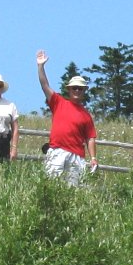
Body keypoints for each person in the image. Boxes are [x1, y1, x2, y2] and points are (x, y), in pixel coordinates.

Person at [36, 50, 98, 186]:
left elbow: (90, 138)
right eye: (74, 88)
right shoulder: (58, 102)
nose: (77, 91)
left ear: (84, 91)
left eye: (80, 89)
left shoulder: (86, 115)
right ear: (69, 89)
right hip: (57, 151)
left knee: (74, 189)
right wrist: (40, 67)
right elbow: (44, 85)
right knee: (51, 185)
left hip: (77, 156)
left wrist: (93, 157)